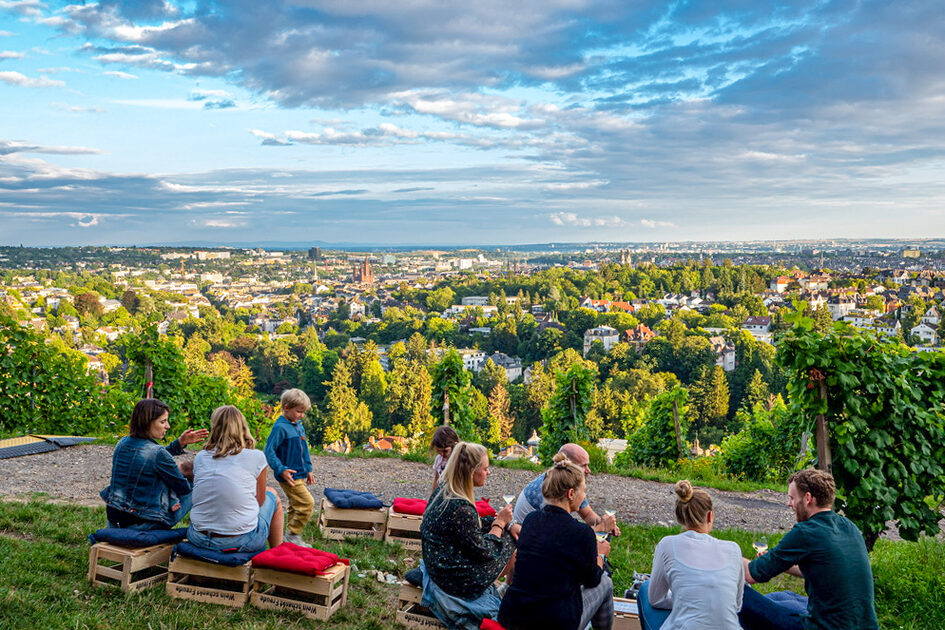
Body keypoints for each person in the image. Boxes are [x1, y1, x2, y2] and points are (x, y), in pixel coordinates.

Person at [739, 469, 879, 630]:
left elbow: (751, 574)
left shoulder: (806, 532)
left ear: (807, 498)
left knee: (741, 595)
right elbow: (824, 571)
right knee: (784, 596)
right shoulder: (849, 527)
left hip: (824, 626)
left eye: (792, 498)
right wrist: (783, 564)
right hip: (864, 625)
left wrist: (724, 552)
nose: (789, 503)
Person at [498, 453, 614, 630]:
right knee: (605, 583)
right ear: (571, 493)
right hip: (554, 623)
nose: (584, 496)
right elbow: (592, 580)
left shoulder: (530, 520)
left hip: (513, 617)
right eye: (583, 491)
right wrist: (600, 554)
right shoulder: (582, 533)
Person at [420, 441, 517, 630]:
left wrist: (506, 523)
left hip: (438, 564)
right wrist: (500, 523)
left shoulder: (444, 490)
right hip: (454, 581)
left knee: (506, 533)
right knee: (511, 541)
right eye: (486, 468)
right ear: (471, 471)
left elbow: (469, 530)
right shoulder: (461, 508)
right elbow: (485, 551)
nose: (488, 473)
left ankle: (506, 588)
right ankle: (509, 591)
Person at [637, 480, 744, 630]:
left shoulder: (667, 545)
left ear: (679, 517)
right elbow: (736, 605)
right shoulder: (734, 549)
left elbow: (655, 600)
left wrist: (687, 599)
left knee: (645, 588)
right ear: (710, 516)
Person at [187, 405, 284, 554]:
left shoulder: (201, 456)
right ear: (242, 427)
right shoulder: (256, 456)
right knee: (273, 494)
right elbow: (259, 501)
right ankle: (277, 555)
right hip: (238, 541)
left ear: (214, 427)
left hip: (197, 538)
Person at [101, 398, 208, 530]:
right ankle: (210, 530)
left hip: (114, 520)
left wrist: (179, 443)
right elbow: (183, 488)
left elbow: (150, 457)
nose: (168, 426)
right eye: (163, 422)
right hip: (143, 522)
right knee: (199, 485)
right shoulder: (158, 454)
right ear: (147, 422)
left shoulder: (122, 443)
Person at [512, 443, 619, 536]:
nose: (588, 470)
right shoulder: (548, 490)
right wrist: (600, 528)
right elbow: (558, 537)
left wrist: (604, 522)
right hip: (526, 536)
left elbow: (587, 514)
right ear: (568, 466)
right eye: (584, 466)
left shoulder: (564, 482)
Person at [264, 388, 316, 547]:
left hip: (300, 472)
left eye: (303, 412)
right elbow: (269, 451)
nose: (302, 415)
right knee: (308, 503)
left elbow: (304, 448)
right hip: (289, 475)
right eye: (299, 411)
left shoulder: (298, 425)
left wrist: (309, 468)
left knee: (295, 505)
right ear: (286, 407)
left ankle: (289, 541)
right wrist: (280, 469)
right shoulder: (280, 428)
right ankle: (293, 534)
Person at [430, 425, 459, 495]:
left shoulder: (458, 460)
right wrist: (432, 497)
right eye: (438, 451)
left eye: (445, 451)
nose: (442, 454)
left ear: (455, 445)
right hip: (442, 494)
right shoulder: (438, 459)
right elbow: (436, 480)